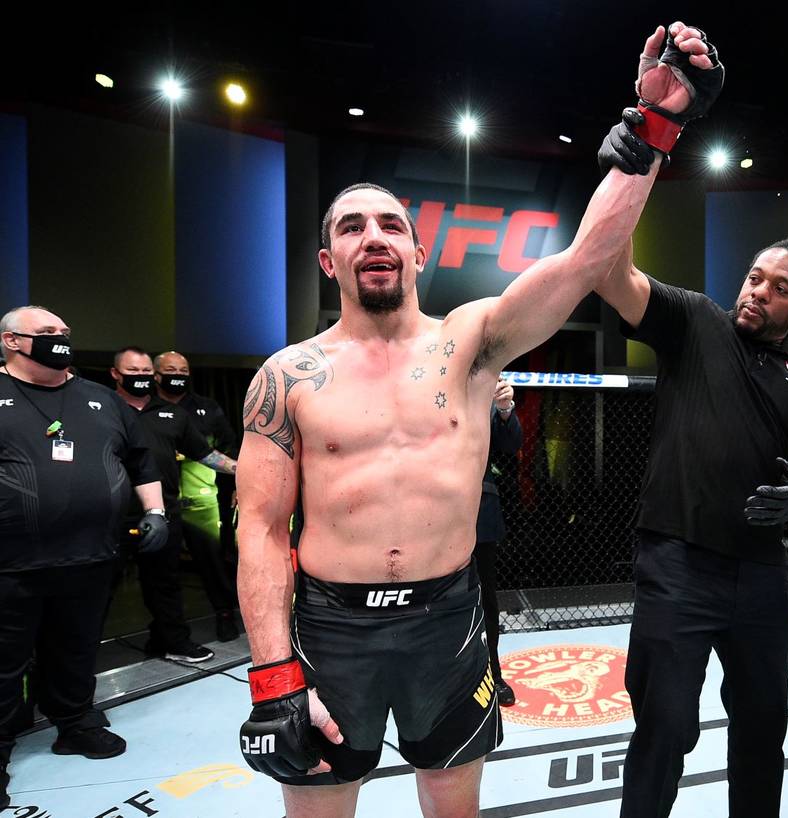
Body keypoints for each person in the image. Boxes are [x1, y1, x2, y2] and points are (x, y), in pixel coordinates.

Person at [235, 21, 722, 818]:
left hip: (447, 622)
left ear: (419, 253)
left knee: (453, 803)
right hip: (330, 629)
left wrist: (656, 126)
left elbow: (588, 259)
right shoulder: (287, 376)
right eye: (351, 228)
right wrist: (273, 675)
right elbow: (258, 528)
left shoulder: (471, 344)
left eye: (390, 225)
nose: (373, 239)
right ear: (329, 261)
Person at [595, 168, 788, 816]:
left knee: (763, 729)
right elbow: (615, 277)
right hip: (677, 562)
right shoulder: (696, 321)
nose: (759, 290)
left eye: (780, 288)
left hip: (761, 574)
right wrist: (628, 166)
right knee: (665, 728)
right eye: (757, 276)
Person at [0, 307, 168, 810]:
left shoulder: (99, 398)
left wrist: (155, 511)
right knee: (3, 664)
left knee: (75, 649)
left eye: (65, 333)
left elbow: (140, 460)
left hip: (91, 557)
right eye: (47, 333)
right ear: (12, 340)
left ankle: (74, 724)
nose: (61, 340)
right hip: (11, 564)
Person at [110, 347, 237, 664]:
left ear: (152, 376)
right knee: (98, 591)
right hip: (110, 516)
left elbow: (205, 455)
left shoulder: (170, 413)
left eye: (143, 372)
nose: (139, 377)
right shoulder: (100, 408)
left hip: (162, 513)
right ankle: (75, 664)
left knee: (164, 584)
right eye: (132, 371)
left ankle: (173, 642)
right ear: (115, 373)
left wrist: (243, 470)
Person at [154, 351, 241, 641]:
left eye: (183, 370)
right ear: (156, 375)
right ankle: (166, 632)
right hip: (158, 503)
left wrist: (241, 482)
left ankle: (225, 615)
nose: (177, 375)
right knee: (161, 572)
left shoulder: (207, 408)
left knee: (215, 565)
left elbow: (227, 448)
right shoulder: (145, 410)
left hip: (203, 503)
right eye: (170, 370)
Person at [475, 377, 523, 708]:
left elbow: (510, 443)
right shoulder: (428, 384)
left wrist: (505, 409)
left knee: (486, 600)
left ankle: (492, 672)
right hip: (432, 512)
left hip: (479, 509)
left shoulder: (486, 387)